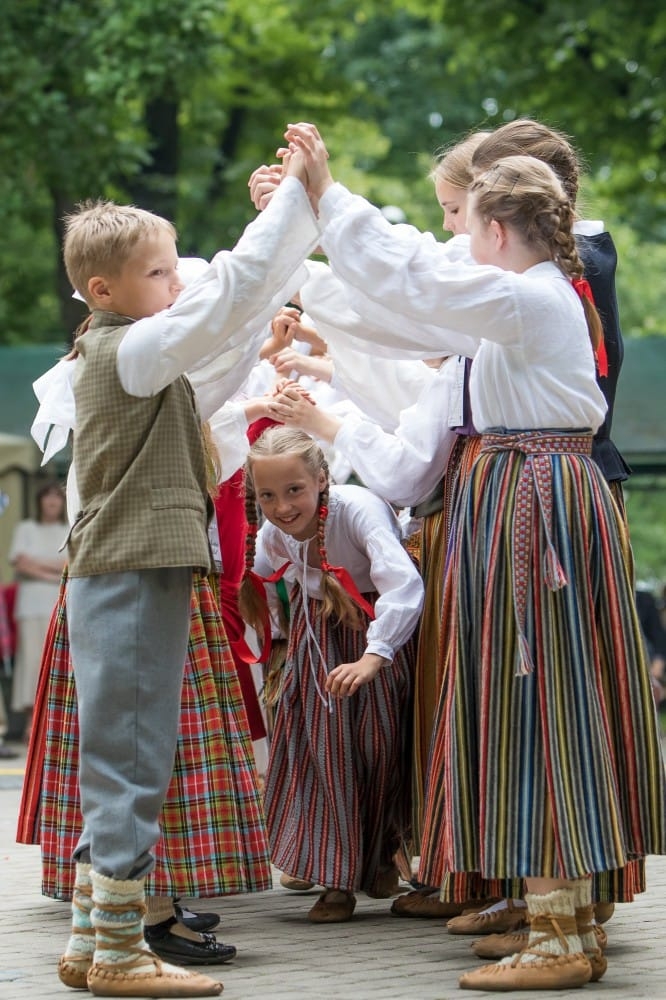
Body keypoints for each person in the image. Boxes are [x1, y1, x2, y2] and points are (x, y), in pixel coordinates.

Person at [274, 123, 666, 992]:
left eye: (464, 228)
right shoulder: (532, 298)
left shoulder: (527, 298)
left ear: (495, 230)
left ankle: (562, 934)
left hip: (533, 505)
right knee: (531, 699)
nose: (455, 244)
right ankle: (559, 919)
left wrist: (324, 197)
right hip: (528, 498)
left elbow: (411, 278)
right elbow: (412, 303)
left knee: (539, 700)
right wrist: (312, 235)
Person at [54, 160, 319, 998]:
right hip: (131, 568)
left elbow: (219, 339)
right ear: (104, 288)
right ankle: (123, 955)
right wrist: (294, 204)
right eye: (159, 270)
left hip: (130, 566)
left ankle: (91, 941)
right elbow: (230, 293)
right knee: (132, 759)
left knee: (127, 754)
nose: (178, 280)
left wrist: (264, 301)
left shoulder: (133, 353)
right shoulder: (130, 349)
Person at [239, 425, 423, 922]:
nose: (282, 506)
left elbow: (404, 588)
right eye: (267, 495)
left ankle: (384, 852)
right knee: (321, 753)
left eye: (294, 489)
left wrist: (373, 656)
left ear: (322, 479)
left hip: (375, 635)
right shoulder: (274, 532)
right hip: (315, 640)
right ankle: (335, 881)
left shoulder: (357, 510)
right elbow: (258, 573)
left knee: (380, 749)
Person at [8, 481, 67, 741]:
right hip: (31, 605)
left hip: (60, 604)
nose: (52, 501)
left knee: (58, 661)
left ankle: (52, 726)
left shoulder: (68, 528)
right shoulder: (26, 528)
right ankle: (33, 725)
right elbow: (20, 563)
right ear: (40, 500)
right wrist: (53, 571)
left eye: (57, 496)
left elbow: (71, 562)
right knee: (31, 662)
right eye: (48, 496)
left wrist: (37, 566)